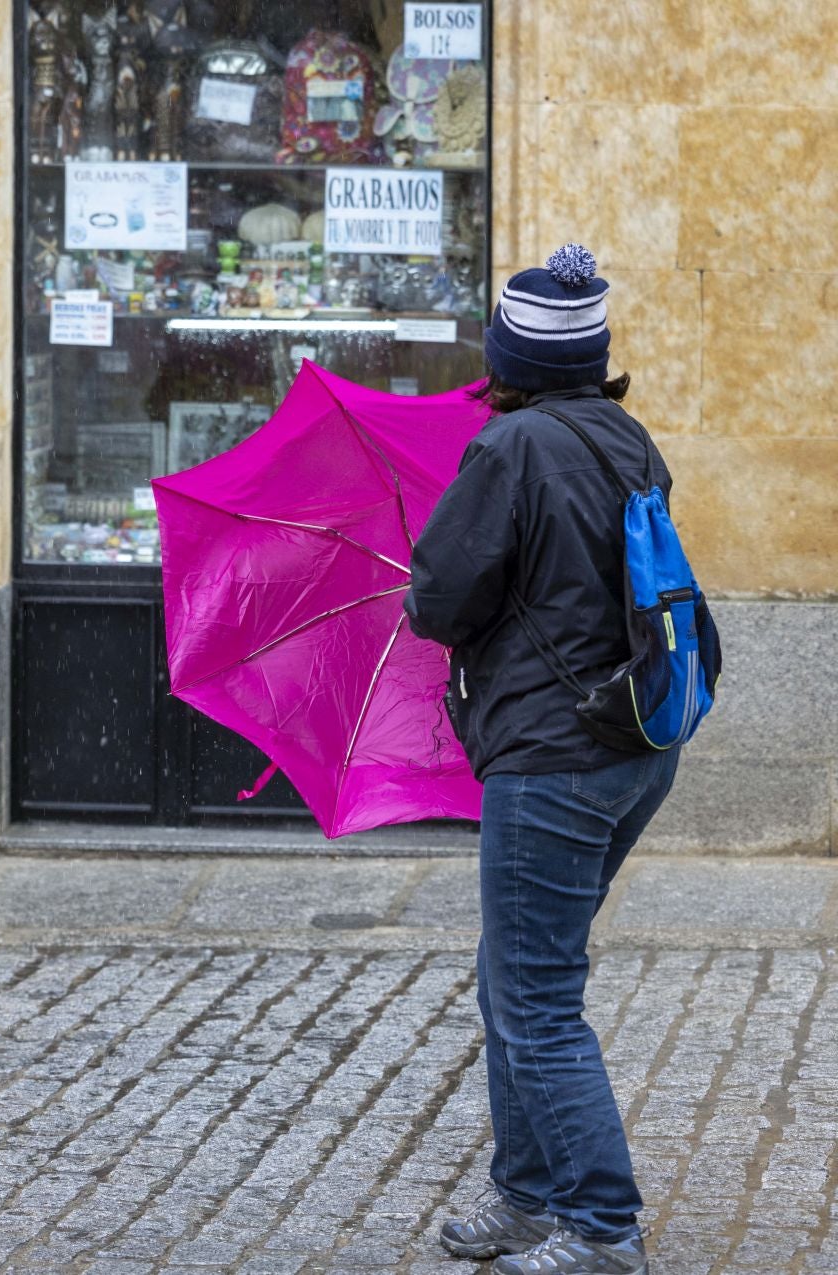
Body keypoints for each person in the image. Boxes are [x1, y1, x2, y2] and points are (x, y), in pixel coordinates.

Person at [408, 245, 679, 1275]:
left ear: (508, 355)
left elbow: (440, 601)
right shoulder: (628, 438)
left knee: (536, 997)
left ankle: (604, 1228)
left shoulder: (512, 450)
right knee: (514, 979)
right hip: (633, 747)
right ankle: (526, 1198)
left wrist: (422, 584)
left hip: (553, 755)